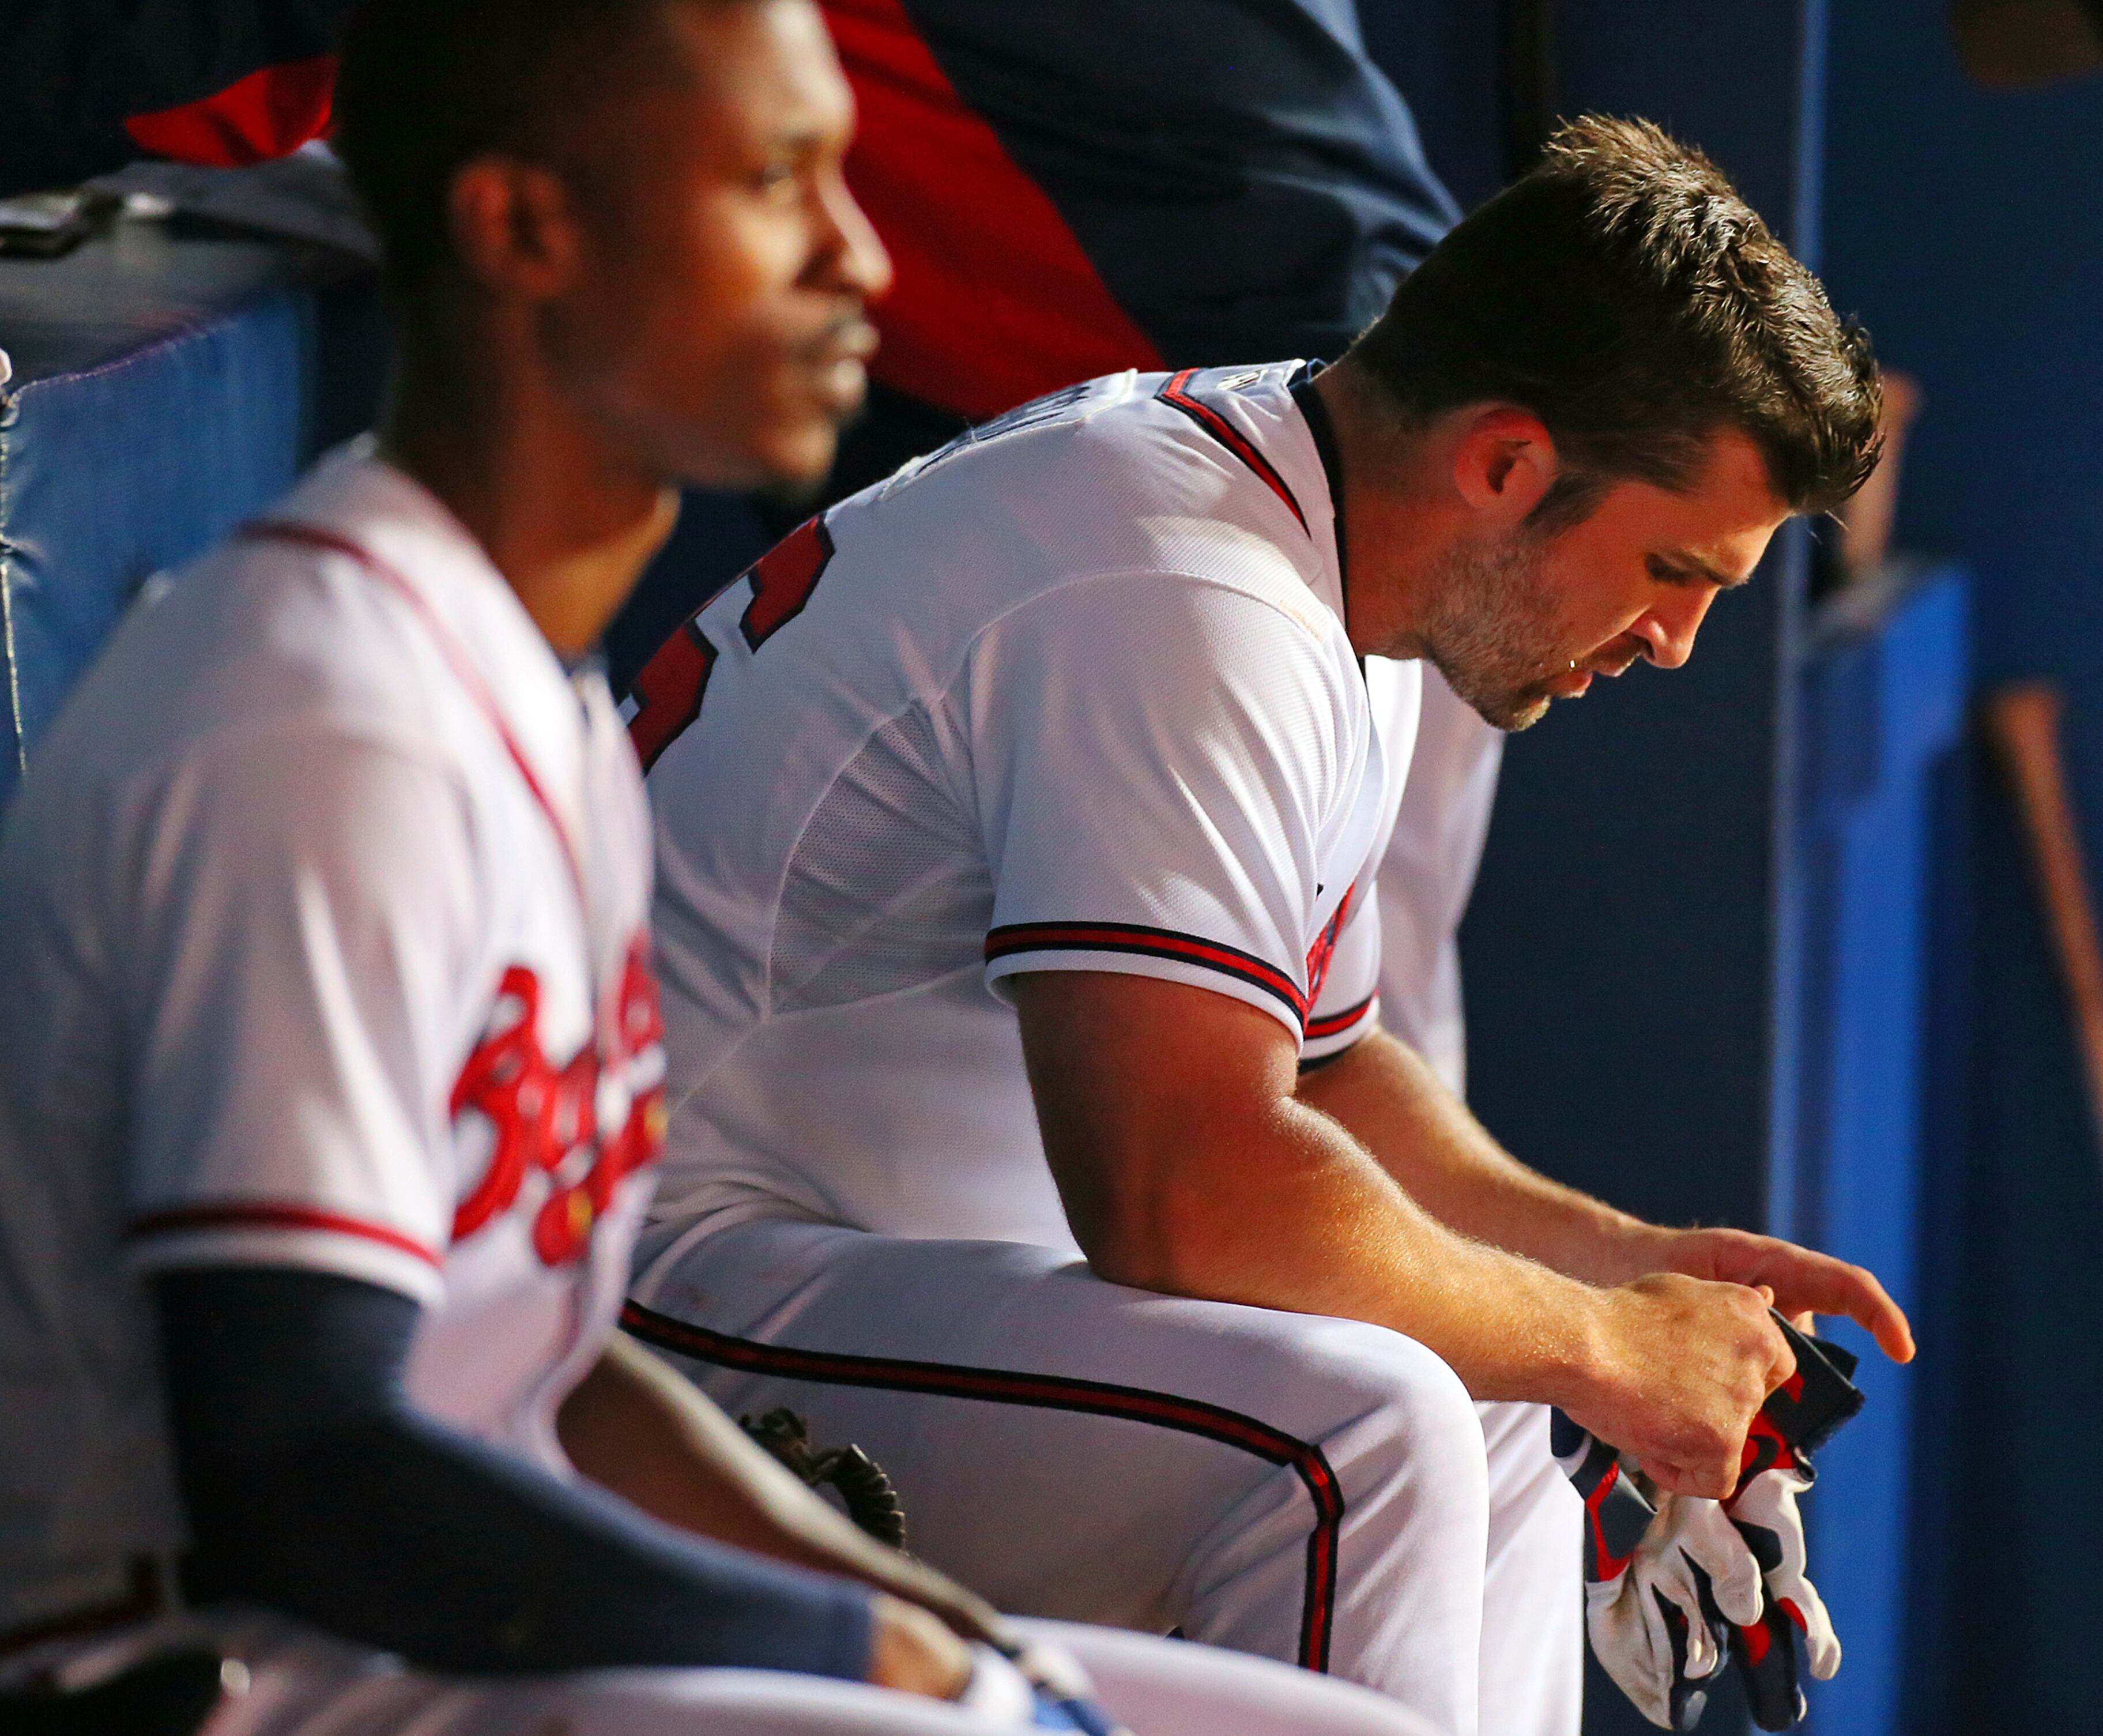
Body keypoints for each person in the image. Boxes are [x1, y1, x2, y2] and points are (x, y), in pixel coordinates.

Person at [0, 2, 1444, 1734]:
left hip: (445, 1634)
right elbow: (306, 1465)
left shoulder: (533, 692)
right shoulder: (329, 714)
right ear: (527, 228)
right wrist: (858, 1660)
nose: (856, 253)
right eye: (776, 181)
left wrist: (917, 1619)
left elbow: (547, 1367)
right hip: (215, 1673)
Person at [623, 115, 1916, 1736]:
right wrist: (1603, 1341)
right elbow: (1185, 1193)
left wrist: (1617, 1271)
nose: (1674, 642)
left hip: (853, 1269)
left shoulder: (1312, 533)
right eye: (1669, 568)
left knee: (1497, 1377)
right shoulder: (1193, 599)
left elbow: (1327, 1074)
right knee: (1358, 1438)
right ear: (1507, 461)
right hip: (646, 1291)